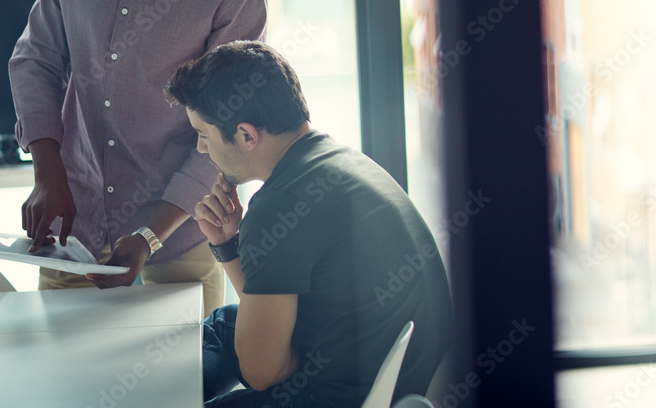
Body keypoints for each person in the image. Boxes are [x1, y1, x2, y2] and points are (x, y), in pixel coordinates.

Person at [8, 0, 267, 315]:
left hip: (178, 245)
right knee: (67, 386)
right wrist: (48, 175)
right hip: (74, 237)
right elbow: (34, 58)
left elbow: (226, 136)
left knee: (180, 392)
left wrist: (149, 234)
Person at [165, 40, 453, 407]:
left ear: (247, 135)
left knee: (223, 345)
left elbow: (261, 374)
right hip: (402, 378)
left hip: (341, 397)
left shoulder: (279, 205)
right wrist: (228, 243)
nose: (202, 149)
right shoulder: (338, 159)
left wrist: (287, 360)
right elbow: (269, 301)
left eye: (204, 135)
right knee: (225, 325)